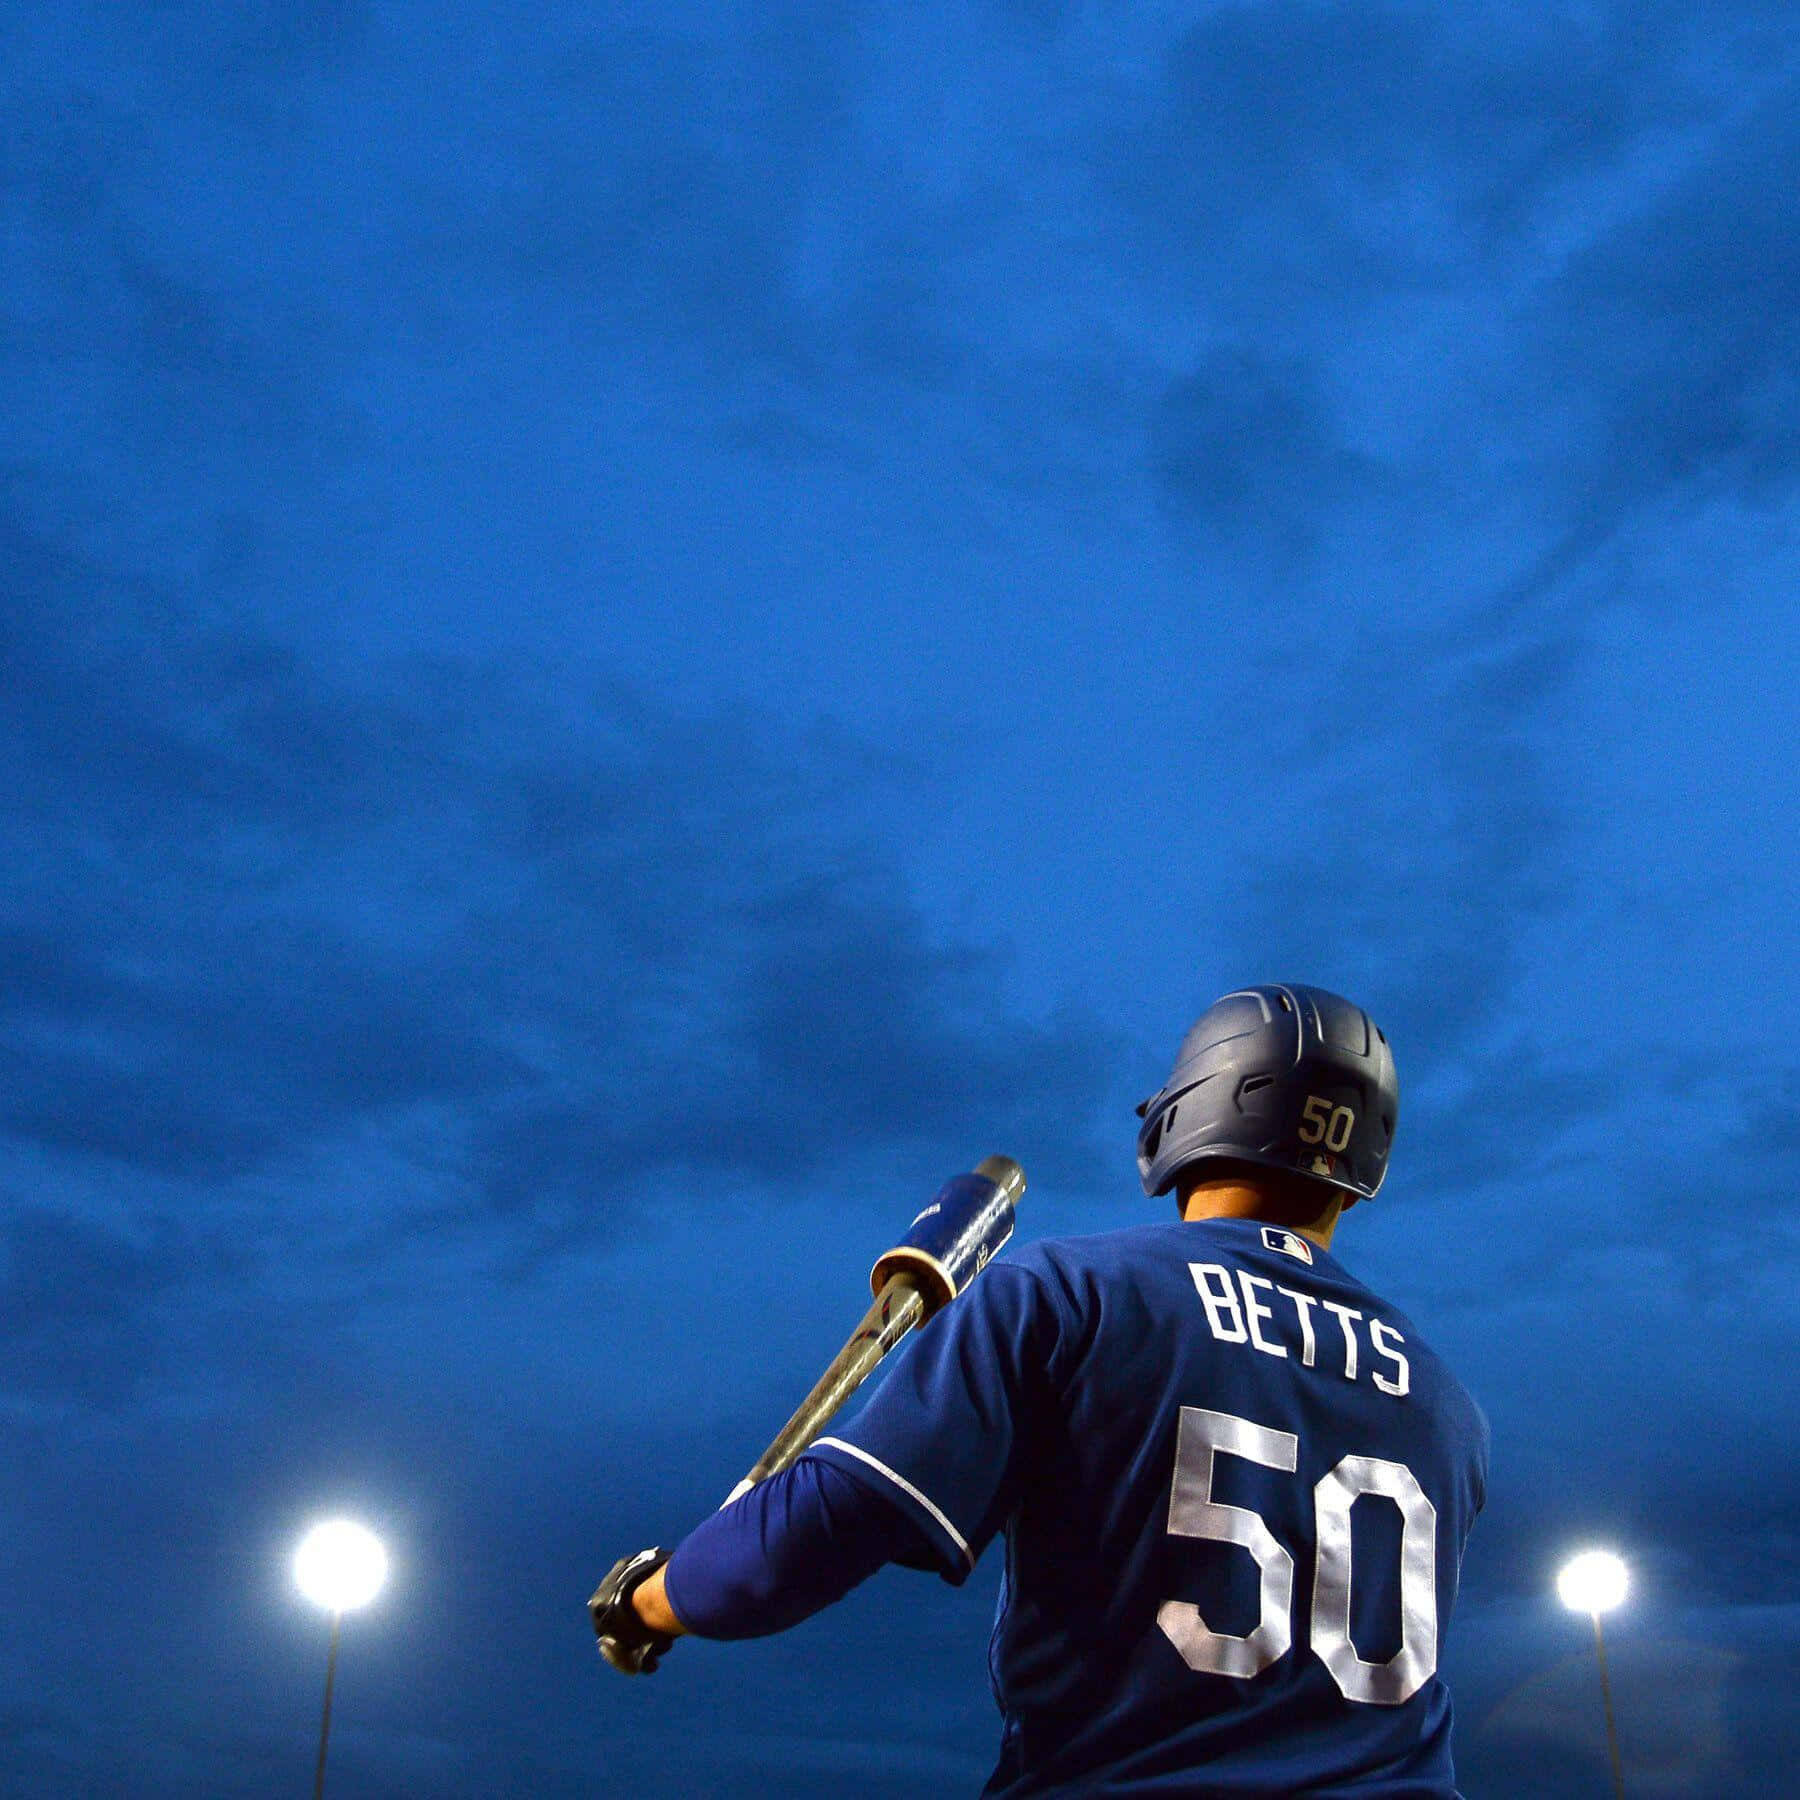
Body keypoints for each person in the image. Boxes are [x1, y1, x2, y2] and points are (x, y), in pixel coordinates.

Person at [591, 983, 1489, 1797]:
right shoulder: (1448, 1405)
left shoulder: (1071, 1293)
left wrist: (649, 1599)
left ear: (1186, 1113)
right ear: (1362, 1162)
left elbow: (782, 1557)